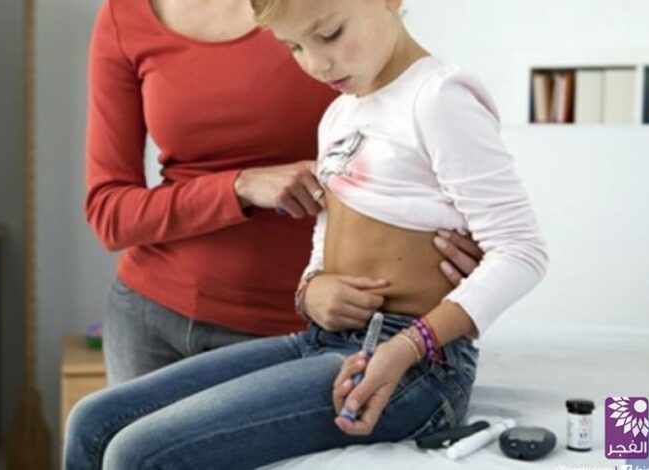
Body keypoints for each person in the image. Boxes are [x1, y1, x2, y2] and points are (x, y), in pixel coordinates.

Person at [65, 0, 548, 468]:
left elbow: (521, 249)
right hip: (321, 337)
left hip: (413, 359)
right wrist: (310, 288)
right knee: (90, 422)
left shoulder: (440, 98)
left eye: (329, 35)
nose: (316, 65)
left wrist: (411, 343)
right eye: (294, 47)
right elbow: (326, 225)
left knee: (136, 454)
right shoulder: (340, 113)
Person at [85, 0, 482, 385]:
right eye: (294, 48)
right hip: (150, 321)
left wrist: (469, 249)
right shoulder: (125, 15)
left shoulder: (331, 15)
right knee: (101, 429)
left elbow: (417, 143)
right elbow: (109, 213)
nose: (313, 61)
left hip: (303, 328)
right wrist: (240, 186)